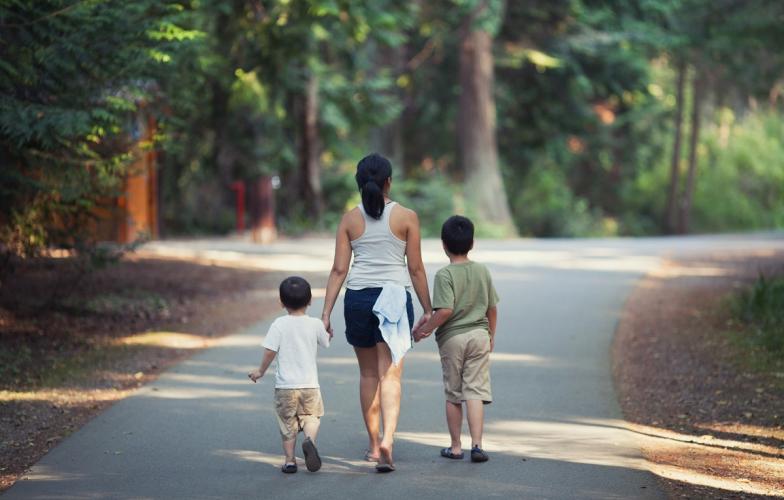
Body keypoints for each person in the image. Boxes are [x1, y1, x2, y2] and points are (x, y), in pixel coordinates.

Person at [321, 153, 432, 472]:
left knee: (368, 374)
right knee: (390, 374)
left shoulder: (349, 220)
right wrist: (428, 309)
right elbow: (416, 268)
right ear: (389, 182)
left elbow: (339, 269)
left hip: (357, 299)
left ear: (359, 184)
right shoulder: (407, 216)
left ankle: (372, 446)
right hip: (394, 298)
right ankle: (388, 441)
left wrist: (326, 313)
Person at [412, 215, 498, 463]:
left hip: (453, 338)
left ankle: (456, 446)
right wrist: (491, 334)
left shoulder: (444, 275)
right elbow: (492, 307)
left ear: (443, 244)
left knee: (453, 393)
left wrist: (424, 330)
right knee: (475, 391)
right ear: (472, 243)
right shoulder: (482, 270)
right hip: (480, 335)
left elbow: (445, 310)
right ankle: (478, 445)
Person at [248, 276, 331, 474]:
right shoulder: (315, 324)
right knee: (311, 417)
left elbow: (270, 350)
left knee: (287, 425)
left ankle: (290, 461)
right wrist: (326, 330)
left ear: (282, 302)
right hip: (310, 385)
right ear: (310, 301)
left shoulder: (279, 324)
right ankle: (309, 440)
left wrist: (260, 371)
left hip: (285, 387)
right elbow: (325, 341)